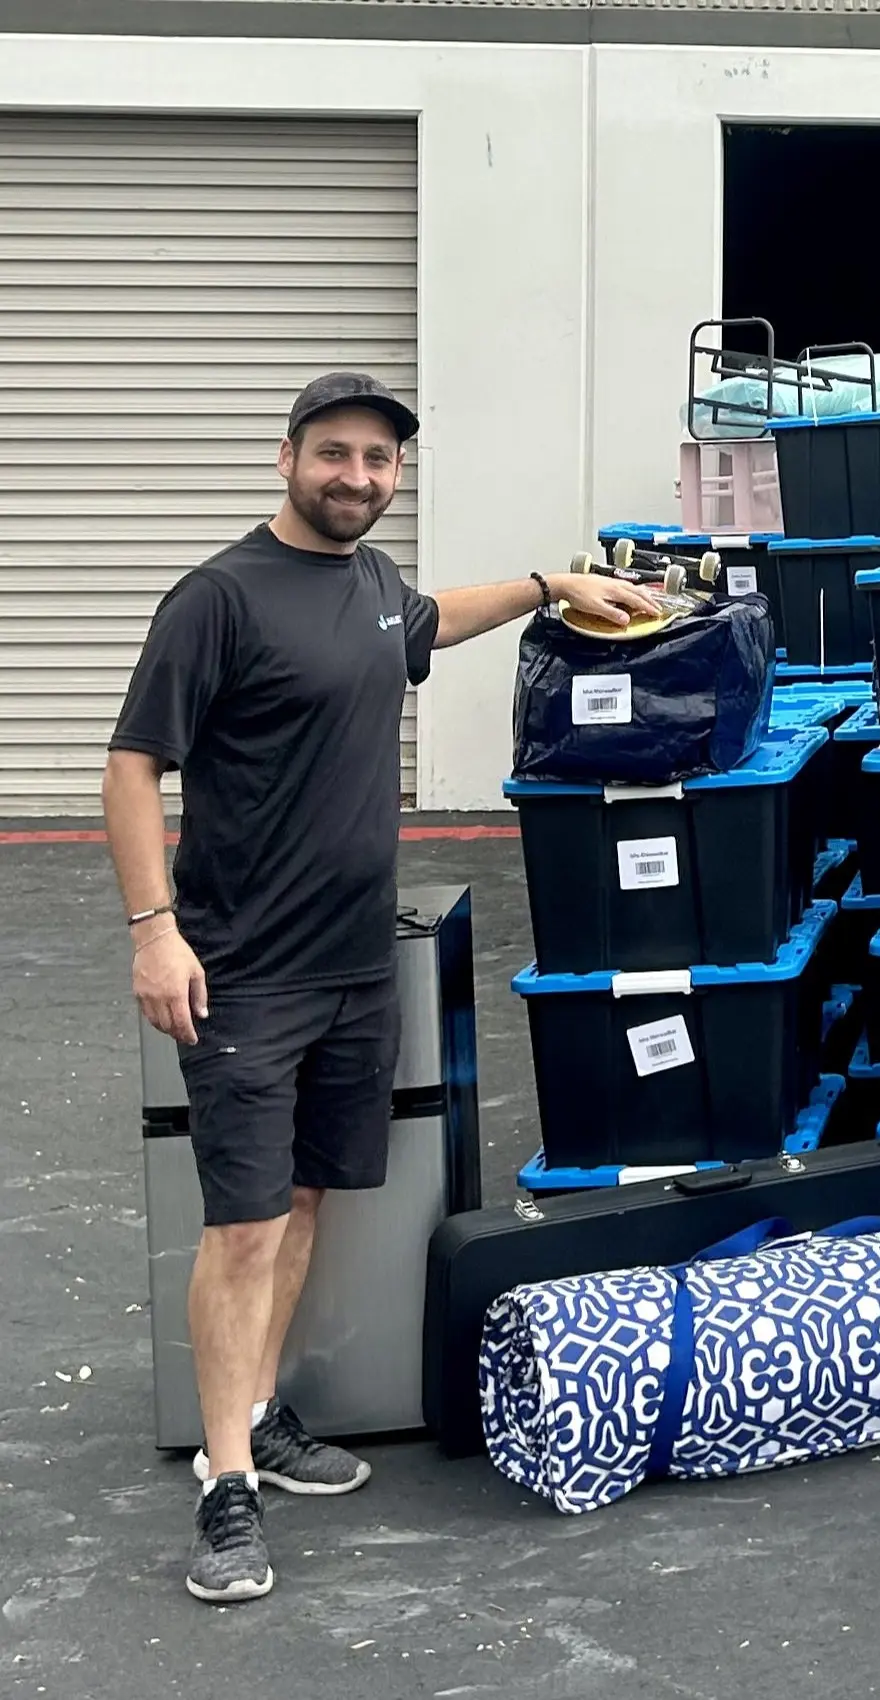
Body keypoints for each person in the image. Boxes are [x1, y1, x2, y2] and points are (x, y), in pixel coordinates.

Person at [103, 373, 659, 1604]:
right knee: (242, 1223)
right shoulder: (217, 598)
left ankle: (256, 1406)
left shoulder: (366, 587)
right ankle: (227, 1483)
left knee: (305, 1203)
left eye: (379, 461)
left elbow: (425, 622)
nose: (358, 476)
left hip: (359, 965)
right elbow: (134, 762)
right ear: (289, 457)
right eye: (336, 454)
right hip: (244, 969)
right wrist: (154, 930)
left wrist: (549, 584)